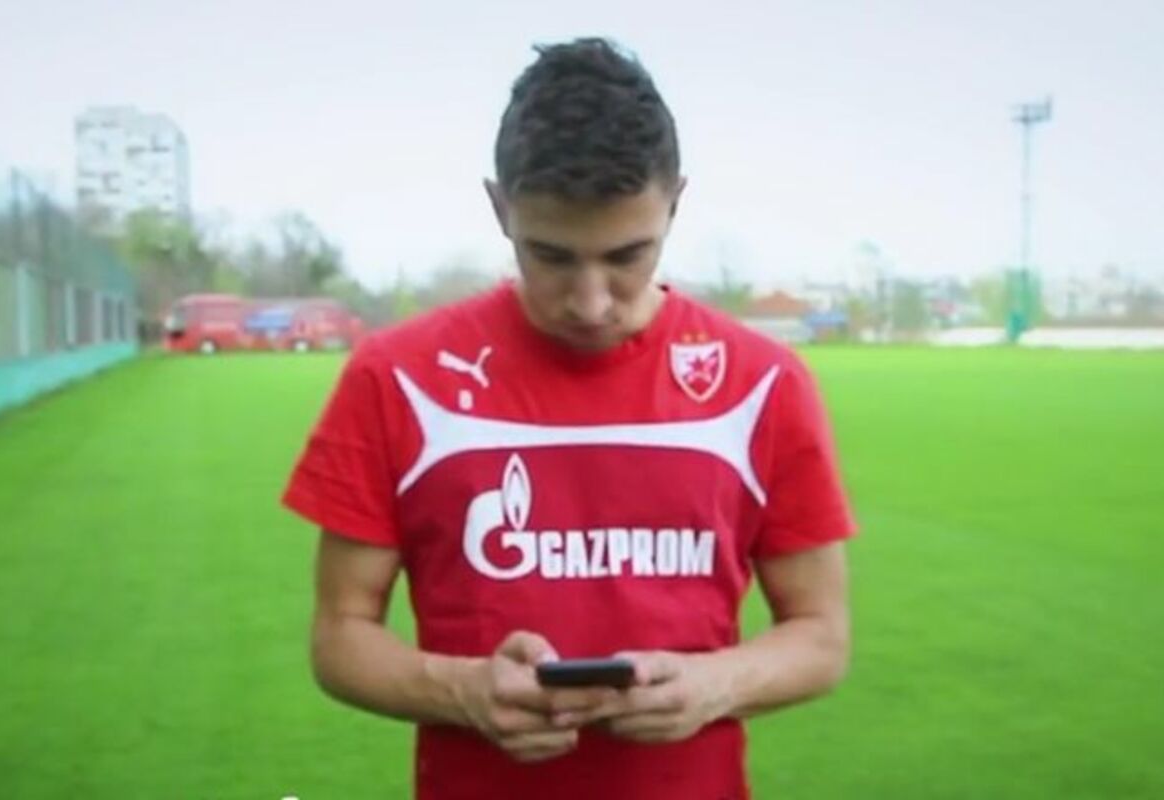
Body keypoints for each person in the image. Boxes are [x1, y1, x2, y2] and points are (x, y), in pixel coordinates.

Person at [283, 37, 856, 800]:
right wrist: (463, 691)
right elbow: (340, 635)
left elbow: (821, 635)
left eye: (628, 256)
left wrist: (714, 684)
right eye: (551, 256)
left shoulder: (763, 384)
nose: (590, 302)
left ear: (676, 203)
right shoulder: (396, 377)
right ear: (500, 209)